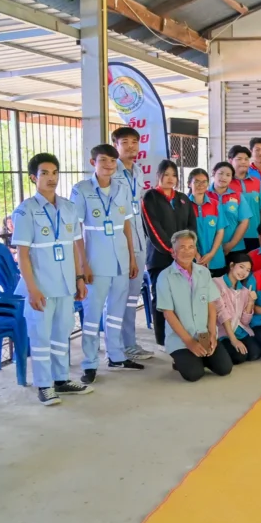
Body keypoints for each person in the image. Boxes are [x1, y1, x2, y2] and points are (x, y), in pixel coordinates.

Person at [13, 153, 92, 405]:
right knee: (40, 338)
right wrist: (32, 289)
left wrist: (79, 278)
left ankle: (61, 379)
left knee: (61, 335)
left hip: (66, 285)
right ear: (33, 178)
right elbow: (22, 255)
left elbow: (73, 247)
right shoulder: (26, 211)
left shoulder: (68, 208)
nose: (51, 178)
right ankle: (44, 385)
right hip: (41, 287)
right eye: (45, 173)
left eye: (55, 172)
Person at [72, 144, 143, 383]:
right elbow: (76, 231)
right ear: (93, 163)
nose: (109, 165)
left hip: (121, 261)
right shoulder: (81, 190)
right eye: (103, 160)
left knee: (116, 312)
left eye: (112, 161)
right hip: (96, 262)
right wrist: (83, 265)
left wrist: (131, 257)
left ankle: (116, 355)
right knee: (92, 314)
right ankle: (90, 363)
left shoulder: (121, 188)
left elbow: (127, 225)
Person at [157, 230, 231, 382]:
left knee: (225, 368)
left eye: (191, 247)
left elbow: (211, 305)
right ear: (173, 252)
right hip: (181, 339)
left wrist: (212, 333)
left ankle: (198, 357)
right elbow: (168, 314)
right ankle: (182, 359)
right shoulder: (165, 277)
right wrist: (189, 342)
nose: (187, 251)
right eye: (182, 247)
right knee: (194, 374)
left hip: (203, 334)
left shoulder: (203, 272)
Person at [141, 159, 197, 346]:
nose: (170, 178)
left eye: (174, 175)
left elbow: (191, 225)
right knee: (162, 297)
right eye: (166, 175)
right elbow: (153, 228)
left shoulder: (183, 198)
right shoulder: (150, 197)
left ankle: (183, 334)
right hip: (160, 257)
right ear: (159, 176)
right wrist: (171, 250)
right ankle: (162, 338)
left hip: (184, 257)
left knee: (183, 296)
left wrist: (187, 250)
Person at [111, 126, 153, 362]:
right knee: (117, 298)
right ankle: (117, 347)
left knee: (131, 297)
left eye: (134, 142)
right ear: (116, 145)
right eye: (124, 142)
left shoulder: (137, 171)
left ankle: (128, 343)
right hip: (118, 244)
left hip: (138, 241)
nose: (130, 147)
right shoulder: (110, 172)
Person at [213, 251, 261, 364]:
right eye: (241, 267)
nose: (244, 272)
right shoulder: (216, 283)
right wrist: (234, 340)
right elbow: (222, 314)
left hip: (239, 330)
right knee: (239, 356)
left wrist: (250, 302)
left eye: (248, 270)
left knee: (255, 353)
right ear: (231, 265)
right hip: (223, 331)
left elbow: (245, 321)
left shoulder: (245, 291)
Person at [228, 145, 261, 252]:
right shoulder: (225, 183)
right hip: (230, 236)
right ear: (230, 161)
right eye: (239, 159)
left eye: (246, 159)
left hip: (253, 234)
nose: (243, 162)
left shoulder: (256, 182)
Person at [208, 162, 252, 262]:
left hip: (235, 248)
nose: (224, 177)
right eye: (221, 173)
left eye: (228, 175)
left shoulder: (238, 196)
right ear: (213, 173)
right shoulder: (204, 195)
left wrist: (231, 245)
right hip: (208, 249)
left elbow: (244, 222)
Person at [187, 169, 227, 277]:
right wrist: (196, 255)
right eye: (196, 181)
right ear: (189, 184)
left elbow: (220, 232)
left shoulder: (216, 204)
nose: (201, 185)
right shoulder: (184, 205)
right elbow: (184, 234)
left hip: (216, 260)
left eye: (204, 181)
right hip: (192, 260)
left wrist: (212, 254)